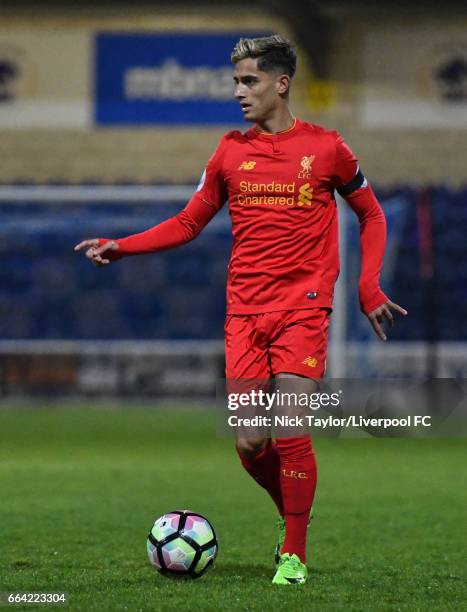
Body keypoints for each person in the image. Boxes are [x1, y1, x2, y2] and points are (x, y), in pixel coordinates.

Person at [75, 34, 407, 585]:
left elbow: (372, 215)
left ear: (281, 84)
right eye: (235, 82)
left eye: (248, 81)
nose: (238, 92)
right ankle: (289, 515)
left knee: (290, 429)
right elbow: (187, 222)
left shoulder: (327, 148)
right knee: (252, 444)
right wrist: (122, 244)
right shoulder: (230, 151)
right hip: (245, 313)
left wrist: (367, 287)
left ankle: (294, 554)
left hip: (304, 307)